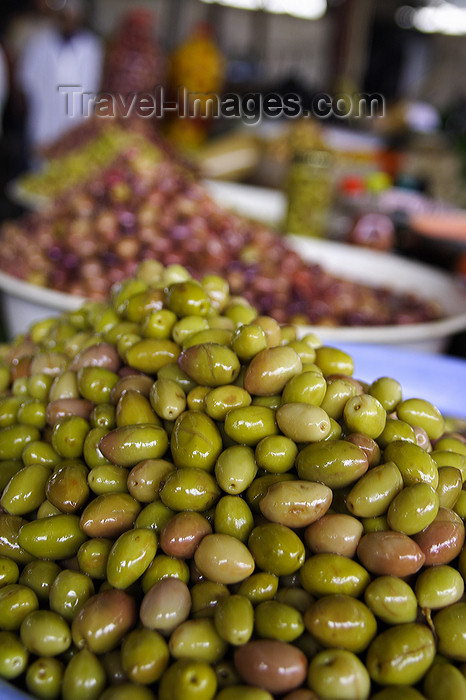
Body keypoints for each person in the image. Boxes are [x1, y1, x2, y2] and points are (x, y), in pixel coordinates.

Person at [16, 0, 103, 165]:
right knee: (38, 167)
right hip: (42, 122)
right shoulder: (39, 42)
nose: (69, 20)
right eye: (65, 16)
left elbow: (92, 88)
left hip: (75, 122)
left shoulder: (91, 47)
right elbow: (26, 82)